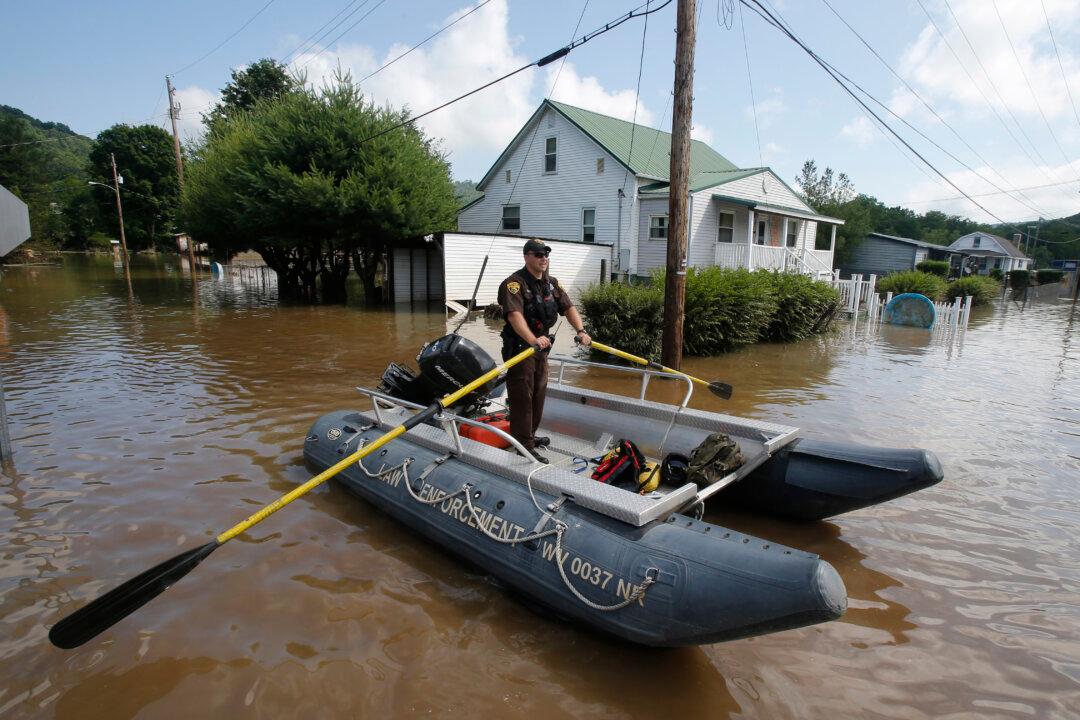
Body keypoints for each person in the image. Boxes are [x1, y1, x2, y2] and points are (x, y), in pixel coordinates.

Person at [497, 239, 591, 463]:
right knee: (523, 397)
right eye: (538, 254)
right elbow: (514, 316)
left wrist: (581, 330)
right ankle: (524, 445)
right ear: (526, 257)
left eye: (546, 254)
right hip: (521, 349)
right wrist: (532, 340)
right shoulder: (514, 284)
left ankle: (529, 436)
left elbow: (568, 307)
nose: (543, 258)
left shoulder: (552, 284)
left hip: (541, 350)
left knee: (539, 393)